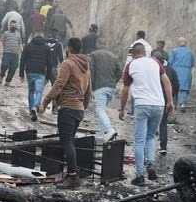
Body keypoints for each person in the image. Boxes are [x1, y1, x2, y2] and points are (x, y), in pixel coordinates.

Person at [39, 37, 92, 189]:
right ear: (80, 49)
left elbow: (59, 84)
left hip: (68, 108)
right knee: (70, 142)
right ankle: (71, 175)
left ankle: (73, 177)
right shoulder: (86, 67)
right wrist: (82, 106)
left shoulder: (67, 63)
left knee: (67, 142)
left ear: (68, 49)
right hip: (78, 109)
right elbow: (88, 91)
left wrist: (45, 102)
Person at [119, 42, 174, 186]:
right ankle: (150, 165)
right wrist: (170, 101)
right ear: (144, 52)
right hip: (158, 105)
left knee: (139, 140)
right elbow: (167, 82)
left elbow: (125, 91)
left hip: (142, 105)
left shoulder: (131, 66)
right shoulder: (155, 62)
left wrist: (122, 108)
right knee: (150, 136)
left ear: (132, 54)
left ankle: (139, 175)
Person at [88, 37, 122, 142]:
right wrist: (113, 82)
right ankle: (101, 134)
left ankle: (110, 130)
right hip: (110, 88)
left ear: (98, 44)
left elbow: (91, 72)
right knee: (102, 109)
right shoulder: (114, 57)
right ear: (105, 44)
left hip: (100, 87)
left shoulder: (93, 55)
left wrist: (91, 88)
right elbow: (119, 72)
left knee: (100, 110)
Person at [19, 32, 54, 121]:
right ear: (43, 37)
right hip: (40, 72)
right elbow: (50, 63)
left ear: (33, 37)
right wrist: (48, 76)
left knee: (31, 91)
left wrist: (21, 74)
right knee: (39, 91)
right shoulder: (47, 47)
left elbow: (23, 60)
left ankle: (31, 110)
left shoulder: (28, 46)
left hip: (30, 71)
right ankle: (35, 107)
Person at [168, 37, 196, 112]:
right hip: (186, 71)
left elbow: (170, 62)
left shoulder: (174, 51)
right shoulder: (190, 52)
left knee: (174, 87)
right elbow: (193, 63)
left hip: (175, 70)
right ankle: (182, 104)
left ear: (178, 43)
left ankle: (174, 104)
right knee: (184, 88)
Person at [0, 20, 24, 85]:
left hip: (15, 54)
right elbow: (1, 42)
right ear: (9, 26)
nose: (13, 27)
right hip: (7, 53)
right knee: (4, 65)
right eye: (12, 25)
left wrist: (23, 51)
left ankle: (8, 81)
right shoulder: (5, 33)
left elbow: (20, 44)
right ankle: (1, 75)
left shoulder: (18, 35)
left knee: (13, 67)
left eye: (15, 26)